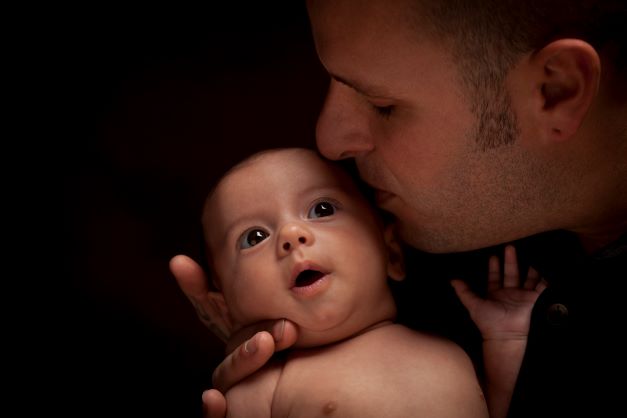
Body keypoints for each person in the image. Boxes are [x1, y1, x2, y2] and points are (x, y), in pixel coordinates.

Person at [171, 1, 626, 417]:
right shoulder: (420, 240)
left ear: (557, 89)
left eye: (382, 104)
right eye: (254, 237)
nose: (328, 141)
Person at [175, 146, 546, 417]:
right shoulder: (266, 384)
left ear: (393, 254)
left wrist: (505, 341)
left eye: (322, 209)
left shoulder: (448, 347)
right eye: (253, 237)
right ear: (225, 306)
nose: (291, 234)